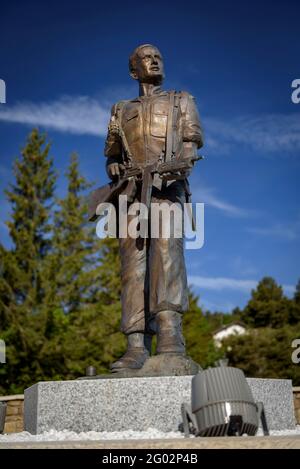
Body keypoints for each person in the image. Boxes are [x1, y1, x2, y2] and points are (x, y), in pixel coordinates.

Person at [104, 44, 203, 372]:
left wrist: (181, 164)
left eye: (159, 55)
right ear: (135, 70)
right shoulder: (120, 111)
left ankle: (170, 334)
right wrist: (115, 168)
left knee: (166, 256)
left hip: (166, 189)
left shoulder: (181, 101)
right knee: (132, 269)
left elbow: (191, 144)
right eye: (147, 57)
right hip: (131, 196)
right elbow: (113, 156)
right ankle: (135, 345)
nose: (156, 60)